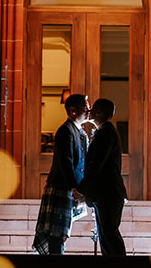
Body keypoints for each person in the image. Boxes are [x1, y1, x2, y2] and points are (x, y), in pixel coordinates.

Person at [32, 94, 91, 254]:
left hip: (69, 188)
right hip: (62, 186)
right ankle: (54, 267)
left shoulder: (79, 132)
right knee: (56, 232)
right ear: (72, 111)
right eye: (85, 108)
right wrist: (74, 188)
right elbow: (66, 162)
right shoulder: (65, 131)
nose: (89, 111)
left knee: (61, 232)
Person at [78, 98, 127, 256]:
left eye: (92, 109)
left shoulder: (106, 133)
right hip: (106, 193)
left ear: (99, 112)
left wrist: (81, 188)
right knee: (106, 234)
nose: (89, 111)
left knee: (109, 234)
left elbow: (96, 163)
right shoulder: (105, 131)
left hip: (108, 193)